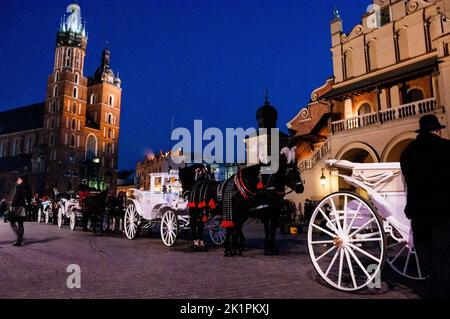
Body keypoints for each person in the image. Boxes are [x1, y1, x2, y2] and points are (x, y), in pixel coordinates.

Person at [400, 114, 450, 298]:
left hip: (418, 212)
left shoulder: (407, 152)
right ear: (437, 130)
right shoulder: (446, 147)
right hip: (442, 212)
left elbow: (409, 179)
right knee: (443, 255)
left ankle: (431, 287)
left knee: (425, 254)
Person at [9, 176, 32, 246]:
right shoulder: (28, 188)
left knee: (12, 222)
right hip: (23, 207)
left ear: (22, 180)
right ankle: (20, 239)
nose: (17, 181)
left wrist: (12, 205)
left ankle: (19, 239)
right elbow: (29, 199)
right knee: (21, 224)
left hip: (17, 207)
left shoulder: (19, 187)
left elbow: (16, 197)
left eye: (19, 180)